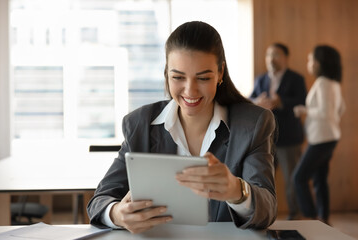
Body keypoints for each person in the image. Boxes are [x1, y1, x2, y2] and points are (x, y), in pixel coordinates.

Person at [87, 21, 277, 233]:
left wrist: (238, 191)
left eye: (203, 78)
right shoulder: (140, 123)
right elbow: (100, 200)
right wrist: (117, 214)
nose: (190, 91)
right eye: (178, 77)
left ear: (220, 72)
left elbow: (267, 208)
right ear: (166, 73)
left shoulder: (252, 125)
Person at [250, 43, 307, 220]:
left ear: (285, 58)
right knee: (265, 179)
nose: (271, 58)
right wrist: (256, 101)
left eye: (276, 54)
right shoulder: (260, 79)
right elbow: (249, 98)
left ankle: (295, 215)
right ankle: (267, 214)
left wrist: (280, 101)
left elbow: (302, 101)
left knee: (292, 179)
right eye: (268, 55)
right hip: (266, 138)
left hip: (289, 138)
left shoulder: (296, 78)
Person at [293, 45, 345, 225]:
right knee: (319, 179)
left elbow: (325, 112)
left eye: (310, 60)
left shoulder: (323, 82)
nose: (309, 64)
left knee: (299, 178)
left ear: (319, 63)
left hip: (322, 138)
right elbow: (341, 109)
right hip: (329, 136)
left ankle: (312, 218)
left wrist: (303, 110)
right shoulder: (334, 83)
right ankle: (323, 219)